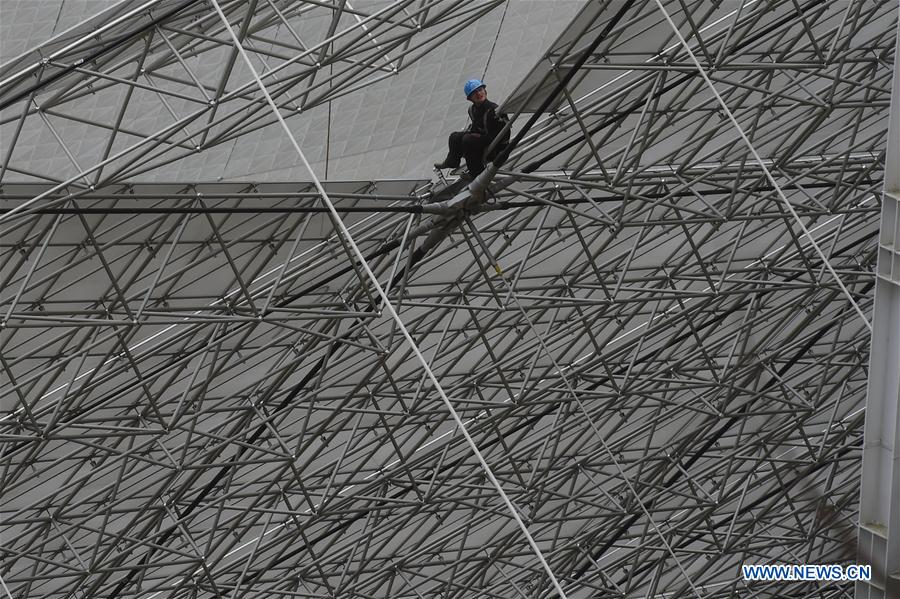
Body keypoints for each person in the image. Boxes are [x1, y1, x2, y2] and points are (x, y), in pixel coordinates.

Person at [434, 79, 510, 177]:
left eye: (480, 90)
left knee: (468, 140)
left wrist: (474, 136)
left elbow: (502, 136)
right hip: (483, 143)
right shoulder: (472, 110)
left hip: (497, 148)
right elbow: (476, 128)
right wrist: (472, 134)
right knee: (455, 136)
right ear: (470, 98)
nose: (479, 94)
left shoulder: (495, 110)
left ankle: (476, 173)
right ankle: (452, 161)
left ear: (485, 91)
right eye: (474, 93)